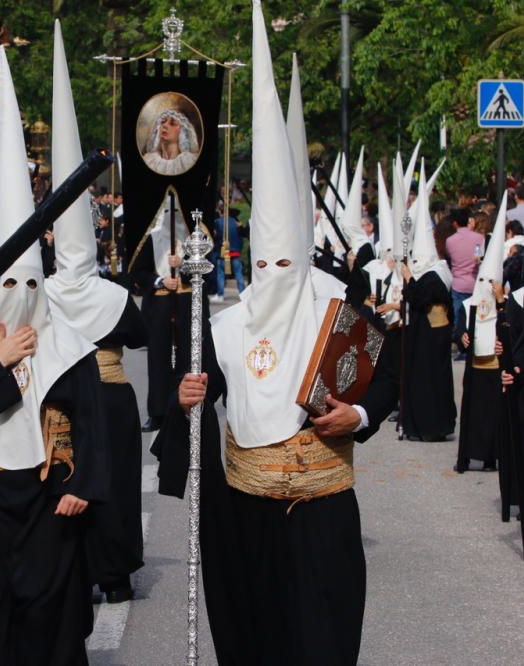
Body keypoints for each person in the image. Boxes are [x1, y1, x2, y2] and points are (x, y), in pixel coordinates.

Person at [154, 8, 396, 662]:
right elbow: (199, 407)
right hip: (245, 515)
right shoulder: (225, 325)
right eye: (264, 264)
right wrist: (186, 400)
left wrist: (361, 412)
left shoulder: (339, 310)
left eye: (285, 262)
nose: (275, 275)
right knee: (257, 640)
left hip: (322, 514)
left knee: (321, 640)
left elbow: (388, 375)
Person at [0, 49, 107, 664]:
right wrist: (1, 364)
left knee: (51, 604)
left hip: (51, 493)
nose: (19, 299)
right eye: (7, 287)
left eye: (29, 286)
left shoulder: (71, 345)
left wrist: (85, 485)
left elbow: (94, 422)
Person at [46, 20, 145, 604]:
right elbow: (135, 338)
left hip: (63, 398)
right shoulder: (110, 296)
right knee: (113, 484)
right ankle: (115, 572)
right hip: (108, 395)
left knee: (71, 479)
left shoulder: (44, 293)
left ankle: (79, 569)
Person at [400, 163, 457, 441]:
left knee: (430, 379)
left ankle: (432, 425)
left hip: (430, 335)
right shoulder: (435, 271)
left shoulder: (434, 275)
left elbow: (421, 297)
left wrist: (409, 278)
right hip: (425, 333)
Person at [130, 194, 191, 432]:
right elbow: (138, 272)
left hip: (186, 302)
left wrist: (184, 267)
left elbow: (207, 269)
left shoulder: (192, 240)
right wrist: (160, 280)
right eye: (168, 214)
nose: (171, 220)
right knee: (158, 359)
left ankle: (187, 407)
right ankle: (157, 412)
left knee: (188, 357)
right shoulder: (150, 239)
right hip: (159, 304)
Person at [454, 202, 508, 472]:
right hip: (475, 368)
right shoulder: (468, 305)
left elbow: (511, 331)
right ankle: (467, 456)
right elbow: (458, 329)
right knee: (472, 415)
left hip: (495, 369)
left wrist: (500, 303)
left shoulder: (506, 307)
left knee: (493, 417)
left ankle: (492, 457)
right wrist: (462, 336)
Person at [444, 206, 483, 347]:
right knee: (474, 317)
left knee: (459, 318)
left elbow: (450, 257)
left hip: (458, 283)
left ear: (455, 223)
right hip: (474, 282)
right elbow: (480, 257)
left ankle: (461, 344)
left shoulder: (450, 241)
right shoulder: (479, 238)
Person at [142, 108, 199, 176]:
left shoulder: (190, 161)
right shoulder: (148, 160)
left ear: (182, 132)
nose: (165, 125)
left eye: (173, 123)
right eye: (163, 121)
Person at [212, 207, 245, 301]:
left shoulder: (217, 222)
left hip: (223, 251)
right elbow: (242, 236)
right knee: (239, 274)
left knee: (220, 274)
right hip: (235, 251)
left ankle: (220, 295)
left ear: (222, 212)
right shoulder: (237, 223)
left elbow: (216, 236)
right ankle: (243, 294)